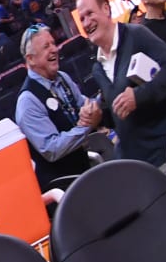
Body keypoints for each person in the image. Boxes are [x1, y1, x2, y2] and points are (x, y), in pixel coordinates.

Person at [75, 0, 166, 165]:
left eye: (89, 13)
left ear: (106, 8)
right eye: (82, 19)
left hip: (165, 153)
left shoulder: (137, 35)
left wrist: (138, 96)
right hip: (138, 165)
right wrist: (98, 118)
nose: (86, 23)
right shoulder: (97, 67)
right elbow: (117, 115)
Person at [14, 25, 104, 190]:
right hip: (63, 188)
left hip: (84, 170)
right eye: (46, 47)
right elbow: (52, 148)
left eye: (53, 44)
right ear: (31, 59)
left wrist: (97, 104)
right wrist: (86, 126)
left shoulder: (62, 77)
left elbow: (83, 103)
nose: (54, 50)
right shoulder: (27, 102)